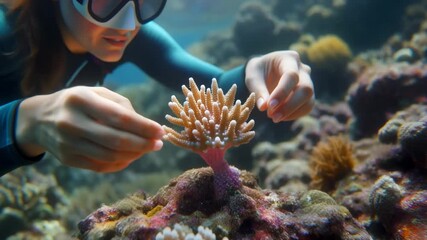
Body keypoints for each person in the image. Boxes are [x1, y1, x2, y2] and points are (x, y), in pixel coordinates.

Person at [0, 0, 314, 176]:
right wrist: (23, 123)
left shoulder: (131, 34)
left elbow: (213, 90)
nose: (127, 25)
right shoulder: (5, 33)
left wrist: (257, 74)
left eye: (146, 2)